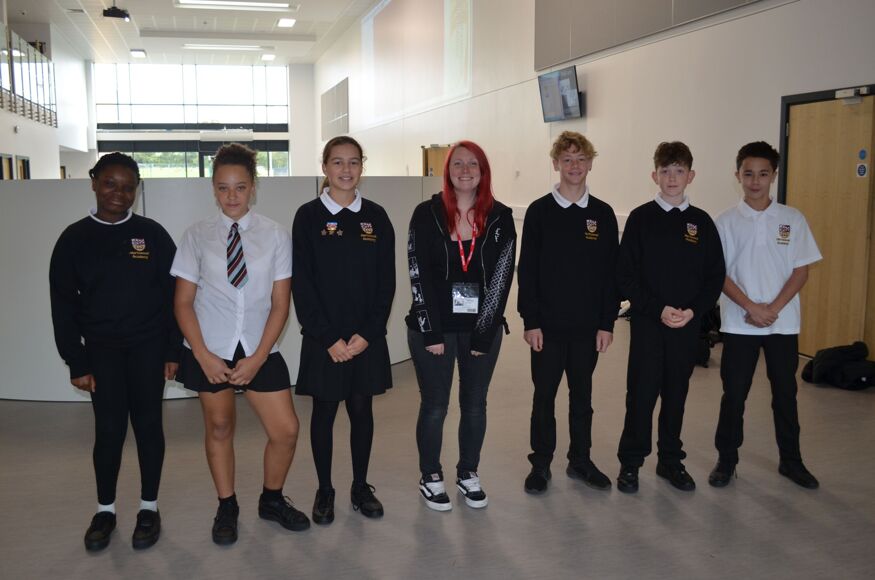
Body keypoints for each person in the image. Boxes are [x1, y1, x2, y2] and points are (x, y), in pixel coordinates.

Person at [172, 143, 308, 545]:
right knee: (219, 427)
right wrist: (202, 355)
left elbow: (281, 304)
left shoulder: (275, 235)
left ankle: (271, 499)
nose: (231, 196)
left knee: (286, 430)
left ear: (253, 187)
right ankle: (226, 505)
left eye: (240, 187)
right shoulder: (196, 236)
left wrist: (259, 357)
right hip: (210, 347)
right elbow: (182, 302)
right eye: (223, 188)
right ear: (213, 189)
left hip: (259, 347)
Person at [49, 153, 180, 551]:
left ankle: (149, 508)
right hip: (101, 351)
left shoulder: (152, 235)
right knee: (108, 431)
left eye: (127, 187)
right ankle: (105, 510)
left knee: (149, 427)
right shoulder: (74, 238)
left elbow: (175, 296)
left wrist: (173, 349)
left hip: (148, 348)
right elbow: (63, 304)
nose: (118, 193)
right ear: (94, 182)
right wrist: (76, 360)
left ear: (136, 190)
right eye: (110, 183)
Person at [406, 140, 516, 511]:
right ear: (447, 170)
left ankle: (468, 472)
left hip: (480, 328)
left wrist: (484, 334)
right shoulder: (426, 213)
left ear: (483, 171)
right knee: (435, 405)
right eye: (458, 164)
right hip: (432, 328)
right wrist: (431, 331)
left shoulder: (500, 216)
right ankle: (430, 475)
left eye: (473, 164)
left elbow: (501, 278)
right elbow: (417, 271)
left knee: (474, 404)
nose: (465, 170)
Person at [292, 136, 395, 524]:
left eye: (353, 162)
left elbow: (386, 283)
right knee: (323, 411)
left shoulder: (377, 216)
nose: (346, 170)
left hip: (365, 338)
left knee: (362, 409)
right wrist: (327, 338)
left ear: (362, 167)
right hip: (325, 340)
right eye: (337, 162)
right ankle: (325, 489)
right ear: (325, 167)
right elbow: (302, 284)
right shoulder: (308, 216)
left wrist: (369, 333)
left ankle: (360, 486)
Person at [709, 141, 822, 489]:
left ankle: (792, 461)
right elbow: (718, 273)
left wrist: (771, 309)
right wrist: (751, 307)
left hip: (781, 324)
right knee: (734, 395)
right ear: (738, 176)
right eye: (748, 174)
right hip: (739, 323)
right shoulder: (725, 222)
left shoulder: (792, 219)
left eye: (762, 174)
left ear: (773, 175)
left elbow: (801, 270)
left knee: (785, 394)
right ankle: (727, 460)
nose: (755, 181)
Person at [616, 141, 725, 493]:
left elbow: (714, 276)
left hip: (686, 326)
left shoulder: (702, 223)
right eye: (665, 171)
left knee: (676, 394)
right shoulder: (640, 219)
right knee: (641, 394)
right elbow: (626, 276)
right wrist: (657, 309)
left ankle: (670, 461)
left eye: (679, 171)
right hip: (649, 324)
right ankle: (631, 462)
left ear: (691, 175)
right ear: (655, 175)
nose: (672, 177)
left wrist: (693, 311)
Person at [517, 131, 619, 494]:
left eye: (581, 159)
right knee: (544, 397)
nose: (574, 166)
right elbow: (527, 271)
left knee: (582, 398)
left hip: (587, 329)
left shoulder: (603, 214)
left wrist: (606, 323)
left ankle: (580, 461)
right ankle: (540, 463)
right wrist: (531, 321)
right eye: (567, 160)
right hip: (547, 328)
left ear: (590, 163)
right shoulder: (539, 212)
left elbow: (611, 275)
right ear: (556, 164)